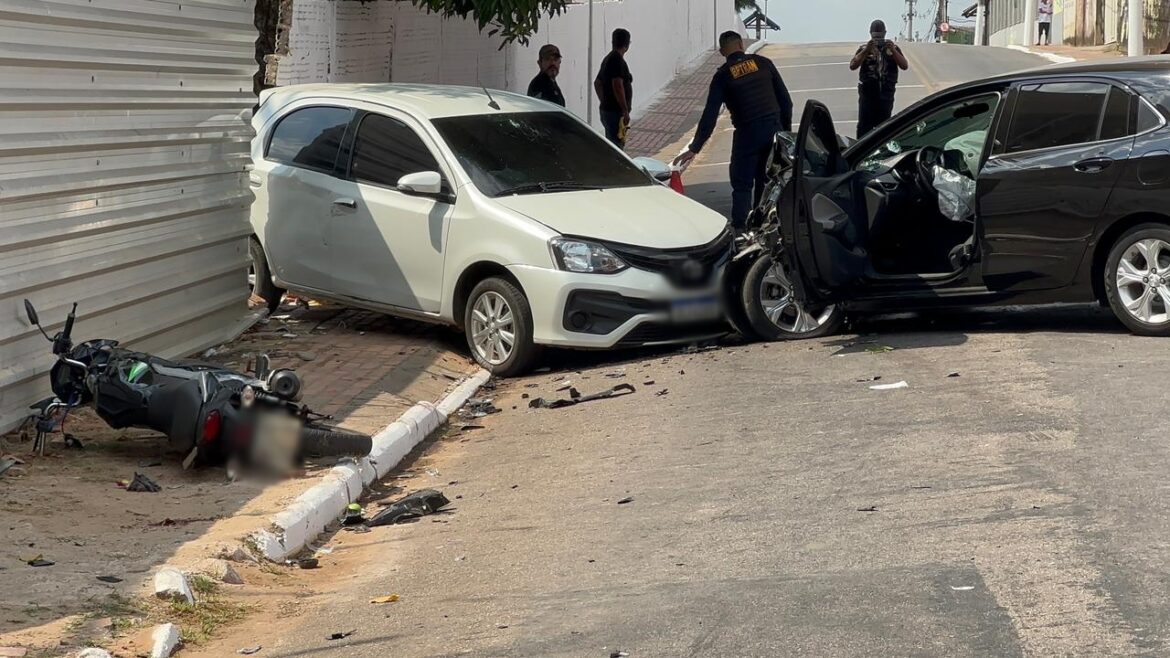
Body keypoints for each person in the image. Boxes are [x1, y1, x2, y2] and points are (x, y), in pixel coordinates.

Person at [673, 31, 793, 231]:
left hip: (747, 134)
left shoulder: (723, 75)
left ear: (722, 52)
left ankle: (741, 232)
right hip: (773, 129)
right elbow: (786, 103)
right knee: (769, 180)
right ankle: (766, 226)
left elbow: (710, 115)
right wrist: (784, 134)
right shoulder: (763, 63)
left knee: (742, 185)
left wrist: (695, 147)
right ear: (741, 44)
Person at [850, 19, 909, 139]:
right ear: (870, 34)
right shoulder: (864, 49)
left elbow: (904, 65)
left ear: (885, 33)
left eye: (880, 36)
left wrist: (892, 50)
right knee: (864, 127)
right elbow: (853, 65)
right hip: (868, 93)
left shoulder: (892, 48)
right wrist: (867, 50)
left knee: (884, 127)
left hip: (886, 93)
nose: (877, 40)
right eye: (875, 37)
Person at [594, 28, 633, 148]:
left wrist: (604, 101)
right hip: (615, 112)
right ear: (627, 44)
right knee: (617, 146)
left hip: (608, 110)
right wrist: (624, 110)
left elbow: (597, 83)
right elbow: (618, 85)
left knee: (612, 143)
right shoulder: (617, 60)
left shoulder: (608, 59)